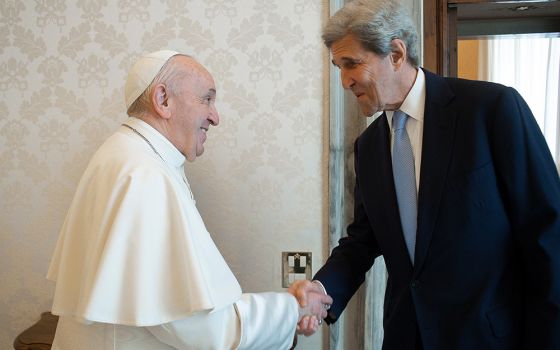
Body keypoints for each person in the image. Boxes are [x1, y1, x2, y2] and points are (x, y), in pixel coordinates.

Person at [290, 0, 560, 349]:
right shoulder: (369, 147)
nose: (344, 81)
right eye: (338, 67)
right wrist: (320, 290)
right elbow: (361, 242)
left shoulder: (491, 109)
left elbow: (548, 232)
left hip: (490, 338)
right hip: (407, 338)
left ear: (397, 54)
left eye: (351, 64)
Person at [47, 49, 332, 350]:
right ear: (163, 100)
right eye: (206, 99)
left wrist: (288, 313)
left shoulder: (126, 154)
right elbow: (198, 325)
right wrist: (292, 310)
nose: (215, 116)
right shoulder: (144, 175)